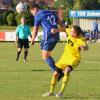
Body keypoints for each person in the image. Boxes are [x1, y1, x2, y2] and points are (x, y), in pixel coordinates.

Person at [42, 25, 88, 98]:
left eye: (74, 32)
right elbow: (65, 29)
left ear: (77, 33)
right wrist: (56, 30)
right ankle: (51, 92)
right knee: (55, 74)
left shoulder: (81, 39)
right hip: (64, 58)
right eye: (72, 31)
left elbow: (86, 47)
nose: (72, 33)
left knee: (67, 71)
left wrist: (83, 47)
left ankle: (61, 93)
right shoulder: (70, 32)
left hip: (74, 59)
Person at [30, 4, 64, 72]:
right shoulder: (50, 12)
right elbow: (60, 22)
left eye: (32, 12)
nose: (32, 14)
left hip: (49, 36)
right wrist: (65, 30)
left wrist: (32, 39)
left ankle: (57, 71)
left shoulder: (37, 15)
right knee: (43, 48)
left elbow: (35, 30)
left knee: (45, 56)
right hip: (56, 35)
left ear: (34, 9)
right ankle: (55, 69)